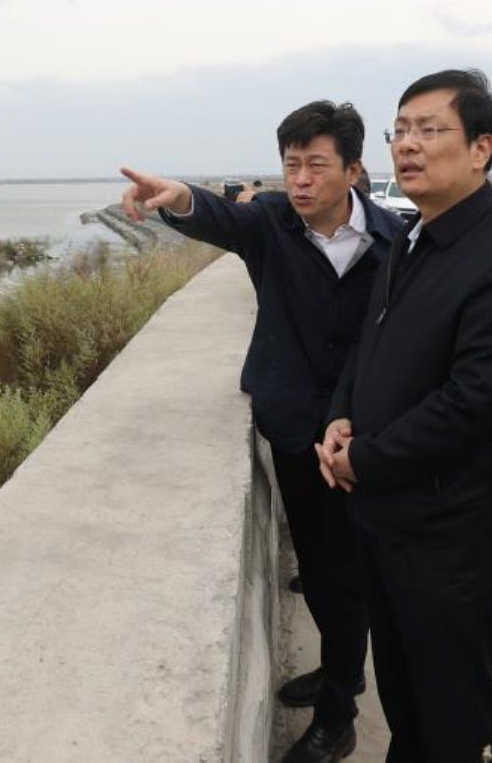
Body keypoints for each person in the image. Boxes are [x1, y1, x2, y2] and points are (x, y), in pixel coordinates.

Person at [121, 100, 402, 763]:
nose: (299, 179)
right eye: (290, 165)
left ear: (353, 170)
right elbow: (218, 216)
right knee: (322, 571)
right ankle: (340, 670)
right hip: (295, 429)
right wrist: (177, 195)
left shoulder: (394, 242)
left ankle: (339, 711)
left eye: (316, 165)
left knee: (349, 576)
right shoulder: (273, 222)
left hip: (360, 441)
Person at [317, 69, 492, 762]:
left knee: (456, 717)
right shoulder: (412, 239)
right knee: (405, 703)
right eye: (400, 131)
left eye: (429, 129)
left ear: (481, 148)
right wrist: (341, 415)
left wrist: (364, 459)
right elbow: (371, 342)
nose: (408, 145)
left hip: (450, 540)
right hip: (388, 524)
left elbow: (476, 404)